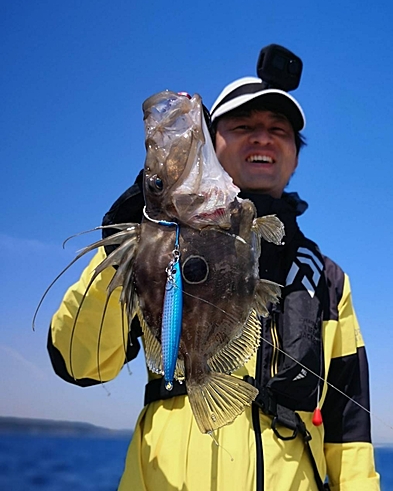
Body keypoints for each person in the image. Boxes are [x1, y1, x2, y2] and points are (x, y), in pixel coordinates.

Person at [48, 74, 380, 490]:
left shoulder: (326, 280)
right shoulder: (151, 241)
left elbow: (350, 432)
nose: (263, 138)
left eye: (279, 130)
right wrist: (119, 252)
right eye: (243, 127)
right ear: (211, 143)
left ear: (296, 156)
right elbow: (78, 363)